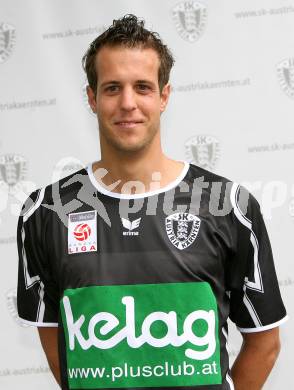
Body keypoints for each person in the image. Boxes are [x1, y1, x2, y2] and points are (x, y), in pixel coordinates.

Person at [17, 14, 288, 390]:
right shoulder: (46, 212)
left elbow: (265, 344)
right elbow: (60, 348)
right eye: (112, 88)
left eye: (142, 87)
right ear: (92, 98)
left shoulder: (228, 206)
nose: (128, 103)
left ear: (164, 96)